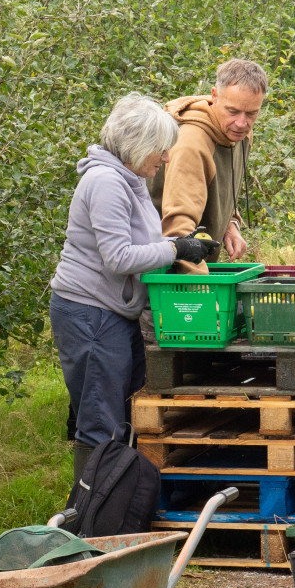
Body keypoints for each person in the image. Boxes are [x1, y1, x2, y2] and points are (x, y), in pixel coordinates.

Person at [50, 93, 218, 478]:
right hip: (89, 313)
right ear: (137, 145)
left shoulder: (133, 178)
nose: (165, 158)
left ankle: (115, 501)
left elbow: (143, 241)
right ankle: (90, 520)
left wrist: (184, 243)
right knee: (99, 420)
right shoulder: (106, 182)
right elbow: (119, 258)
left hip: (113, 311)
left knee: (123, 409)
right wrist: (176, 248)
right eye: (160, 149)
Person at [149, 58, 268, 271]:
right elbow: (178, 231)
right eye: (233, 111)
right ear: (214, 96)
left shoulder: (239, 134)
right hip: (161, 275)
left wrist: (231, 224)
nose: (242, 123)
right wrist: (201, 293)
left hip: (197, 266)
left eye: (252, 113)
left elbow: (221, 184)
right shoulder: (191, 144)